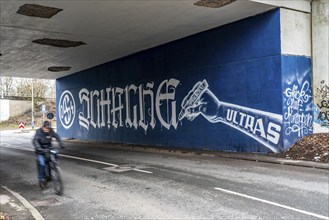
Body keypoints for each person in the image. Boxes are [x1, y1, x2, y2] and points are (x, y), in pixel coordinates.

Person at [33, 120, 64, 189]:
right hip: (40, 150)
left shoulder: (50, 130)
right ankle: (41, 179)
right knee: (42, 163)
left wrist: (61, 143)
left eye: (48, 128)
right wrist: (38, 148)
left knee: (55, 153)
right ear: (43, 127)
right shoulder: (38, 132)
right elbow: (35, 140)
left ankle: (54, 166)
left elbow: (56, 136)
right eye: (46, 128)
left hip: (49, 148)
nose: (47, 130)